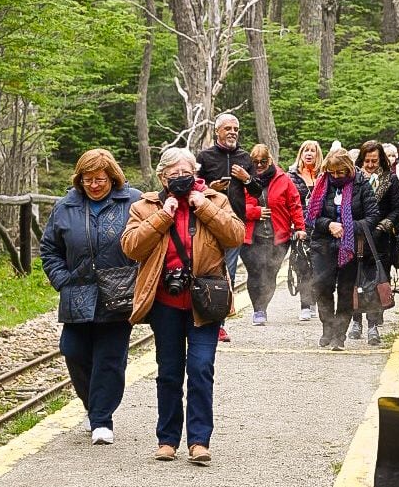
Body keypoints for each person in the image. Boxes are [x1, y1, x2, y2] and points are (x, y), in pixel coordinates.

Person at [121, 147, 244, 465]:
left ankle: (200, 441)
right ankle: (167, 439)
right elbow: (131, 247)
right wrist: (165, 215)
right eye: (173, 174)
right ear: (162, 177)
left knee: (201, 368)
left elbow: (235, 236)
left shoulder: (216, 200)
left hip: (205, 302)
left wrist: (202, 207)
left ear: (196, 173)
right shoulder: (145, 206)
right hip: (165, 302)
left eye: (186, 172)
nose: (180, 178)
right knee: (170, 372)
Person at [40, 149, 142, 446]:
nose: (94, 185)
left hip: (119, 291)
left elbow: (149, 238)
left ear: (112, 177)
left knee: (109, 358)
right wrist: (61, 279)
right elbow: (50, 249)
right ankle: (94, 405)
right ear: (79, 180)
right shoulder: (65, 206)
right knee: (73, 350)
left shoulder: (133, 200)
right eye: (88, 180)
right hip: (77, 292)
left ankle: (101, 420)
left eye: (100, 179)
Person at [195, 113, 261, 343]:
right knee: (205, 272)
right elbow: (194, 186)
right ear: (217, 132)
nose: (233, 132)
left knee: (228, 275)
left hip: (233, 225)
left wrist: (246, 178)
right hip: (207, 224)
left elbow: (257, 191)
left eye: (236, 128)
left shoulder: (245, 158)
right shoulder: (205, 157)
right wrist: (210, 188)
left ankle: (219, 325)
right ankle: (201, 319)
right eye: (228, 128)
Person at [306, 148, 379, 351]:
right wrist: (329, 224)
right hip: (323, 244)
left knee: (346, 291)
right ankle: (327, 328)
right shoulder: (322, 184)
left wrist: (348, 227)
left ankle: (340, 334)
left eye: (340, 172)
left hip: (351, 246)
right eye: (332, 172)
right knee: (322, 287)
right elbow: (311, 217)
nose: (336, 176)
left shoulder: (361, 184)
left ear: (348, 169)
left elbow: (372, 217)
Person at [241, 144, 306, 325]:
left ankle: (264, 305)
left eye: (263, 161)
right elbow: (234, 205)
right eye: (255, 162)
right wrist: (254, 212)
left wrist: (300, 228)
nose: (259, 165)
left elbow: (294, 204)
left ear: (270, 160)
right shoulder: (243, 179)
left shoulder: (283, 179)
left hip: (278, 237)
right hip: (250, 237)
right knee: (254, 272)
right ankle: (258, 310)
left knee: (270, 273)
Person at [349, 141, 399, 345]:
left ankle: (373, 324)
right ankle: (356, 321)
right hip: (355, 236)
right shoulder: (353, 179)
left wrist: (384, 225)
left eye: (375, 161)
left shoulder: (390, 180)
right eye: (367, 161)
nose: (371, 165)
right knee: (353, 280)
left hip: (381, 239)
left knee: (376, 282)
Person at [287, 140, 324, 320]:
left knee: (318, 266)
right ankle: (305, 304)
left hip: (320, 227)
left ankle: (315, 298)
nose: (309, 154)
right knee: (302, 267)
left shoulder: (324, 175)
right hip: (300, 227)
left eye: (313, 151)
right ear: (301, 154)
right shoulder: (291, 176)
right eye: (306, 151)